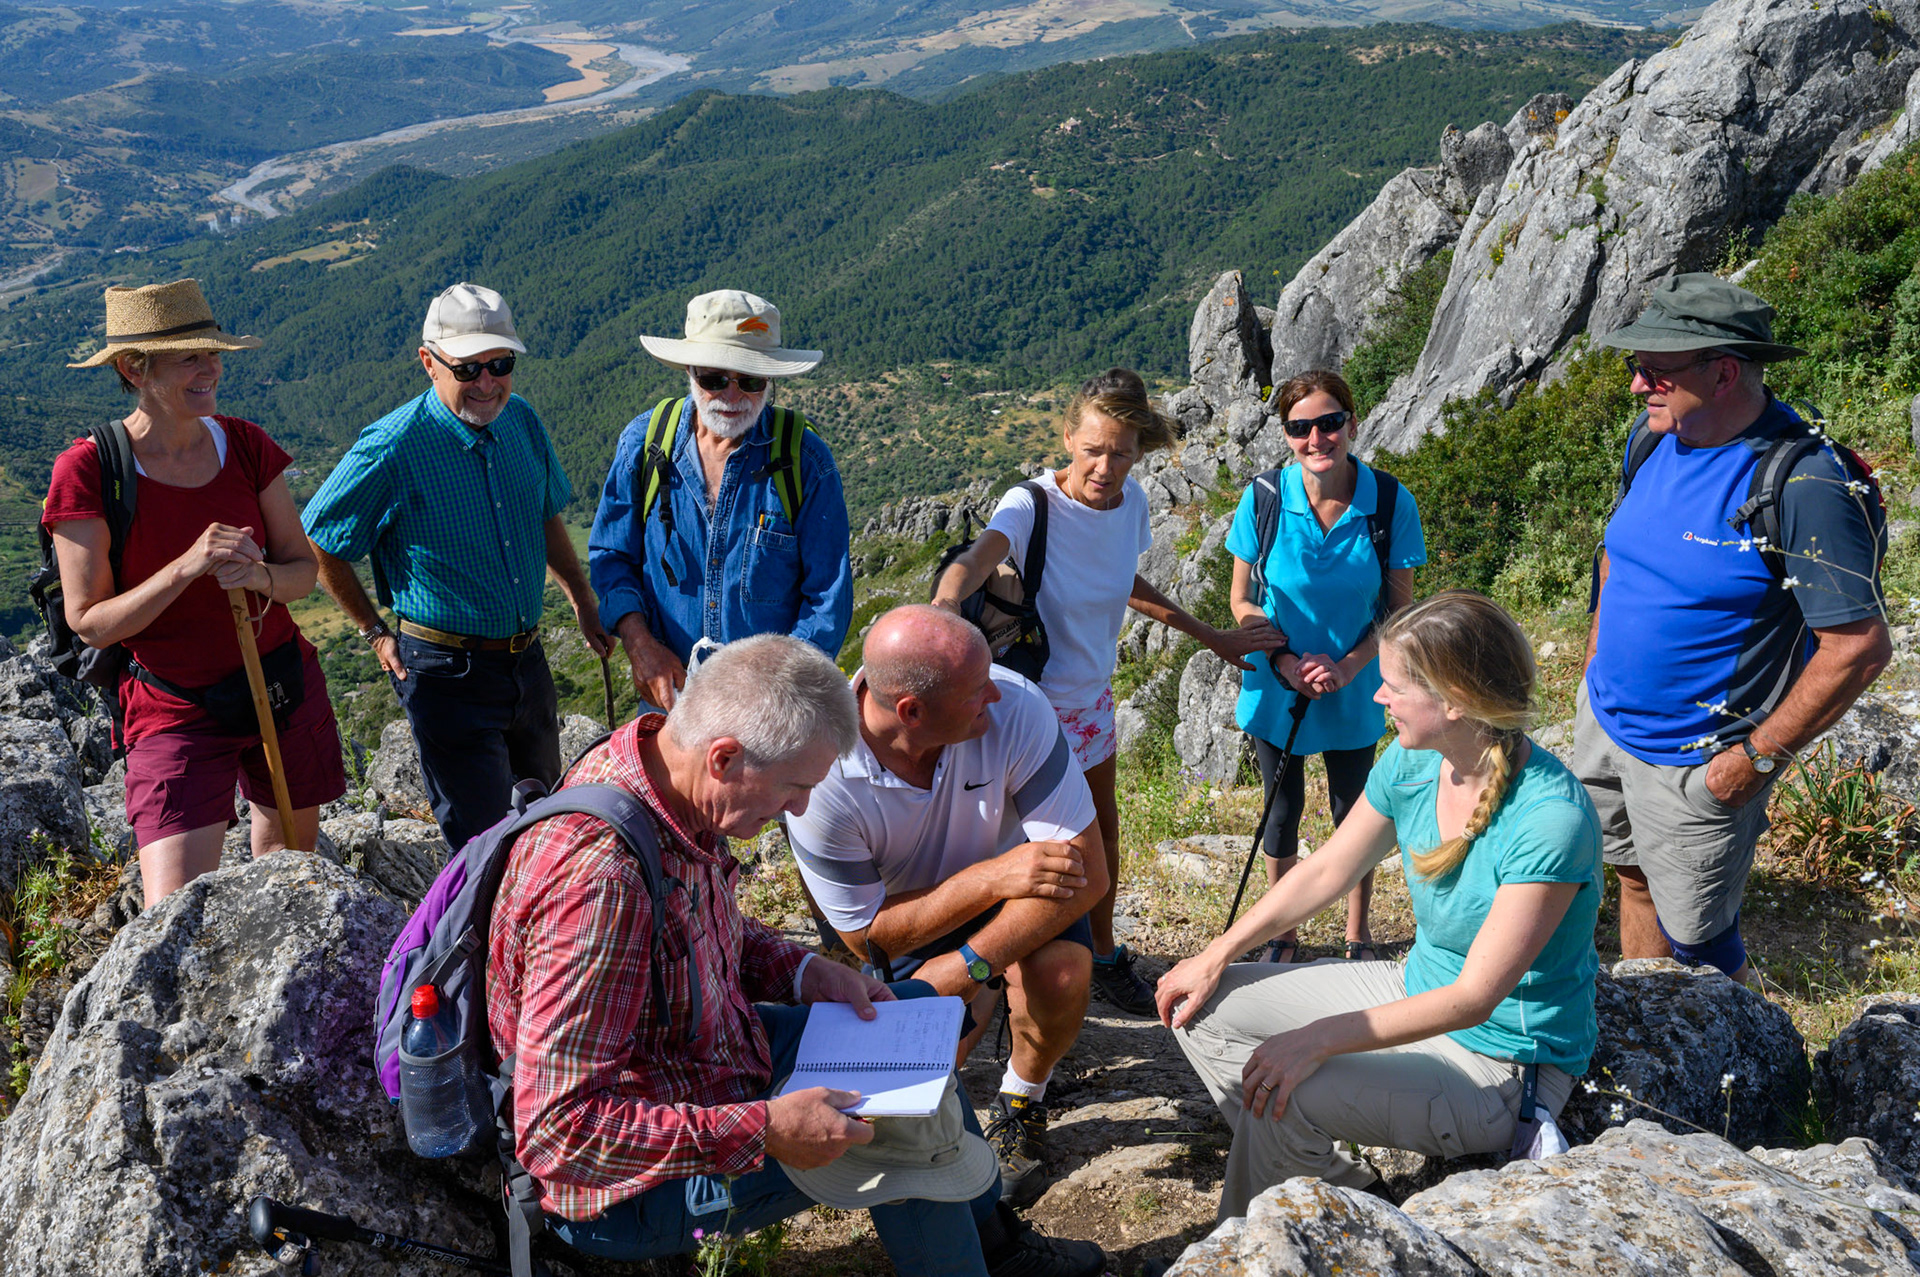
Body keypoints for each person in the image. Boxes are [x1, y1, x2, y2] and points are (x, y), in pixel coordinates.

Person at [486, 633, 1104, 1277]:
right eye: (794, 788)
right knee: (901, 1139)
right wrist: (767, 1129)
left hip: (707, 1053)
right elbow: (559, 1134)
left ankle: (994, 1247)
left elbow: (701, 926)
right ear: (724, 757)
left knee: (904, 1034)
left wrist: (811, 972)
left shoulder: (660, 769)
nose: (801, 808)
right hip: (625, 1191)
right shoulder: (599, 885)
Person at [1158, 590, 1602, 1221]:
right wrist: (1216, 953)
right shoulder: (1414, 760)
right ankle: (1348, 1193)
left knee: (1280, 1091)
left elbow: (1474, 997)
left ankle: (1253, 1242)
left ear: (1454, 700)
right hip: (1413, 986)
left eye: (1393, 685)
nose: (1376, 696)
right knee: (1198, 1008)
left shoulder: (1548, 817)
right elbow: (1330, 870)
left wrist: (1317, 1041)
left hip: (1500, 1062)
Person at [932, 369, 1286, 1017]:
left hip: (1090, 702)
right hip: (1022, 707)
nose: (1104, 465)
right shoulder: (1031, 504)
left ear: (1138, 452)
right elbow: (980, 556)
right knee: (1019, 849)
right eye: (1092, 449)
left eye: (1120, 452)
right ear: (1068, 438)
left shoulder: (1132, 506)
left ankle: (1099, 954)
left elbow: (1126, 581)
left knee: (1104, 839)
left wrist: (1212, 635)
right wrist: (944, 610)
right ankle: (990, 974)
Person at [1580, 274, 1890, 984]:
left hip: (1700, 760)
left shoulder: (1806, 483)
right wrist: (1595, 661)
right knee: (1631, 877)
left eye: (1654, 369)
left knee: (1702, 948)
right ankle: (1654, 1029)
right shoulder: (1657, 438)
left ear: (1722, 372)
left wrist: (1751, 760)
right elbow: (1614, 552)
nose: (1636, 385)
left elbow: (1859, 646)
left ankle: (1741, 1083)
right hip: (1607, 721)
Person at [786, 605, 1105, 1205]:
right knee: (917, 1098)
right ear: (911, 711)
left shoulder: (1016, 707)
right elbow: (868, 938)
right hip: (924, 912)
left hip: (1023, 889)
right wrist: (988, 880)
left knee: (1061, 973)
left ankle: (1022, 1099)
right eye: (975, 689)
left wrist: (968, 966)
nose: (996, 691)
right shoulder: (820, 771)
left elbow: (1087, 875)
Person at [45, 278, 347, 906]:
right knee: (173, 913)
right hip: (174, 706)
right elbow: (91, 622)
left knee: (287, 889)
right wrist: (188, 566)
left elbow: (301, 572)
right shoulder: (90, 470)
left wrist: (260, 576)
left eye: (215, 353)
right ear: (135, 368)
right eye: (192, 357)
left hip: (278, 685)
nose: (212, 368)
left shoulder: (244, 444)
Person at [302, 282, 610, 852]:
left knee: (547, 817)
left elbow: (544, 515)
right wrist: (373, 633)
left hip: (527, 661)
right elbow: (322, 540)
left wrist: (583, 601)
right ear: (429, 362)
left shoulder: (522, 421)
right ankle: (485, 940)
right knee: (485, 841)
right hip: (447, 674)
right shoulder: (392, 446)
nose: (488, 383)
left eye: (501, 364)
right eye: (469, 369)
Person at [1227, 370, 1425, 964]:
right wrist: (1286, 661)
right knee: (1280, 814)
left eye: (1330, 422)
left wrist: (1345, 666)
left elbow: (1398, 612)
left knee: (1354, 813)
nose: (1317, 438)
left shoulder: (1389, 501)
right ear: (1286, 435)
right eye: (1300, 427)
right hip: (1276, 683)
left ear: (1352, 423)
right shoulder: (1264, 498)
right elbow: (1241, 602)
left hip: (1357, 685)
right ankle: (1284, 935)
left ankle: (1356, 936)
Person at [590, 289, 853, 709]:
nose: (732, 396)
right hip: (668, 699)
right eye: (714, 379)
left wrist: (774, 691)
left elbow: (828, 597)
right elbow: (611, 555)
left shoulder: (805, 462)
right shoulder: (644, 443)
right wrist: (640, 644)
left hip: (768, 710)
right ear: (689, 371)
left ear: (769, 381)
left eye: (750, 380)